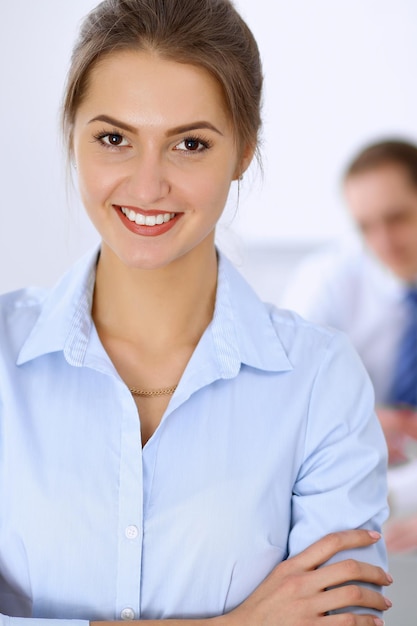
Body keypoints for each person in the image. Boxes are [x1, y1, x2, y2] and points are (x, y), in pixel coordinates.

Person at [0, 1, 390, 625]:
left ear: (242, 152)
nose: (148, 185)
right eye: (113, 138)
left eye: (189, 144)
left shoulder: (320, 381)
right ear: (71, 136)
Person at [282, 139, 417, 551]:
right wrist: (361, 419)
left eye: (397, 218)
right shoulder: (328, 278)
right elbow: (285, 394)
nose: (383, 241)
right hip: (360, 477)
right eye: (366, 226)